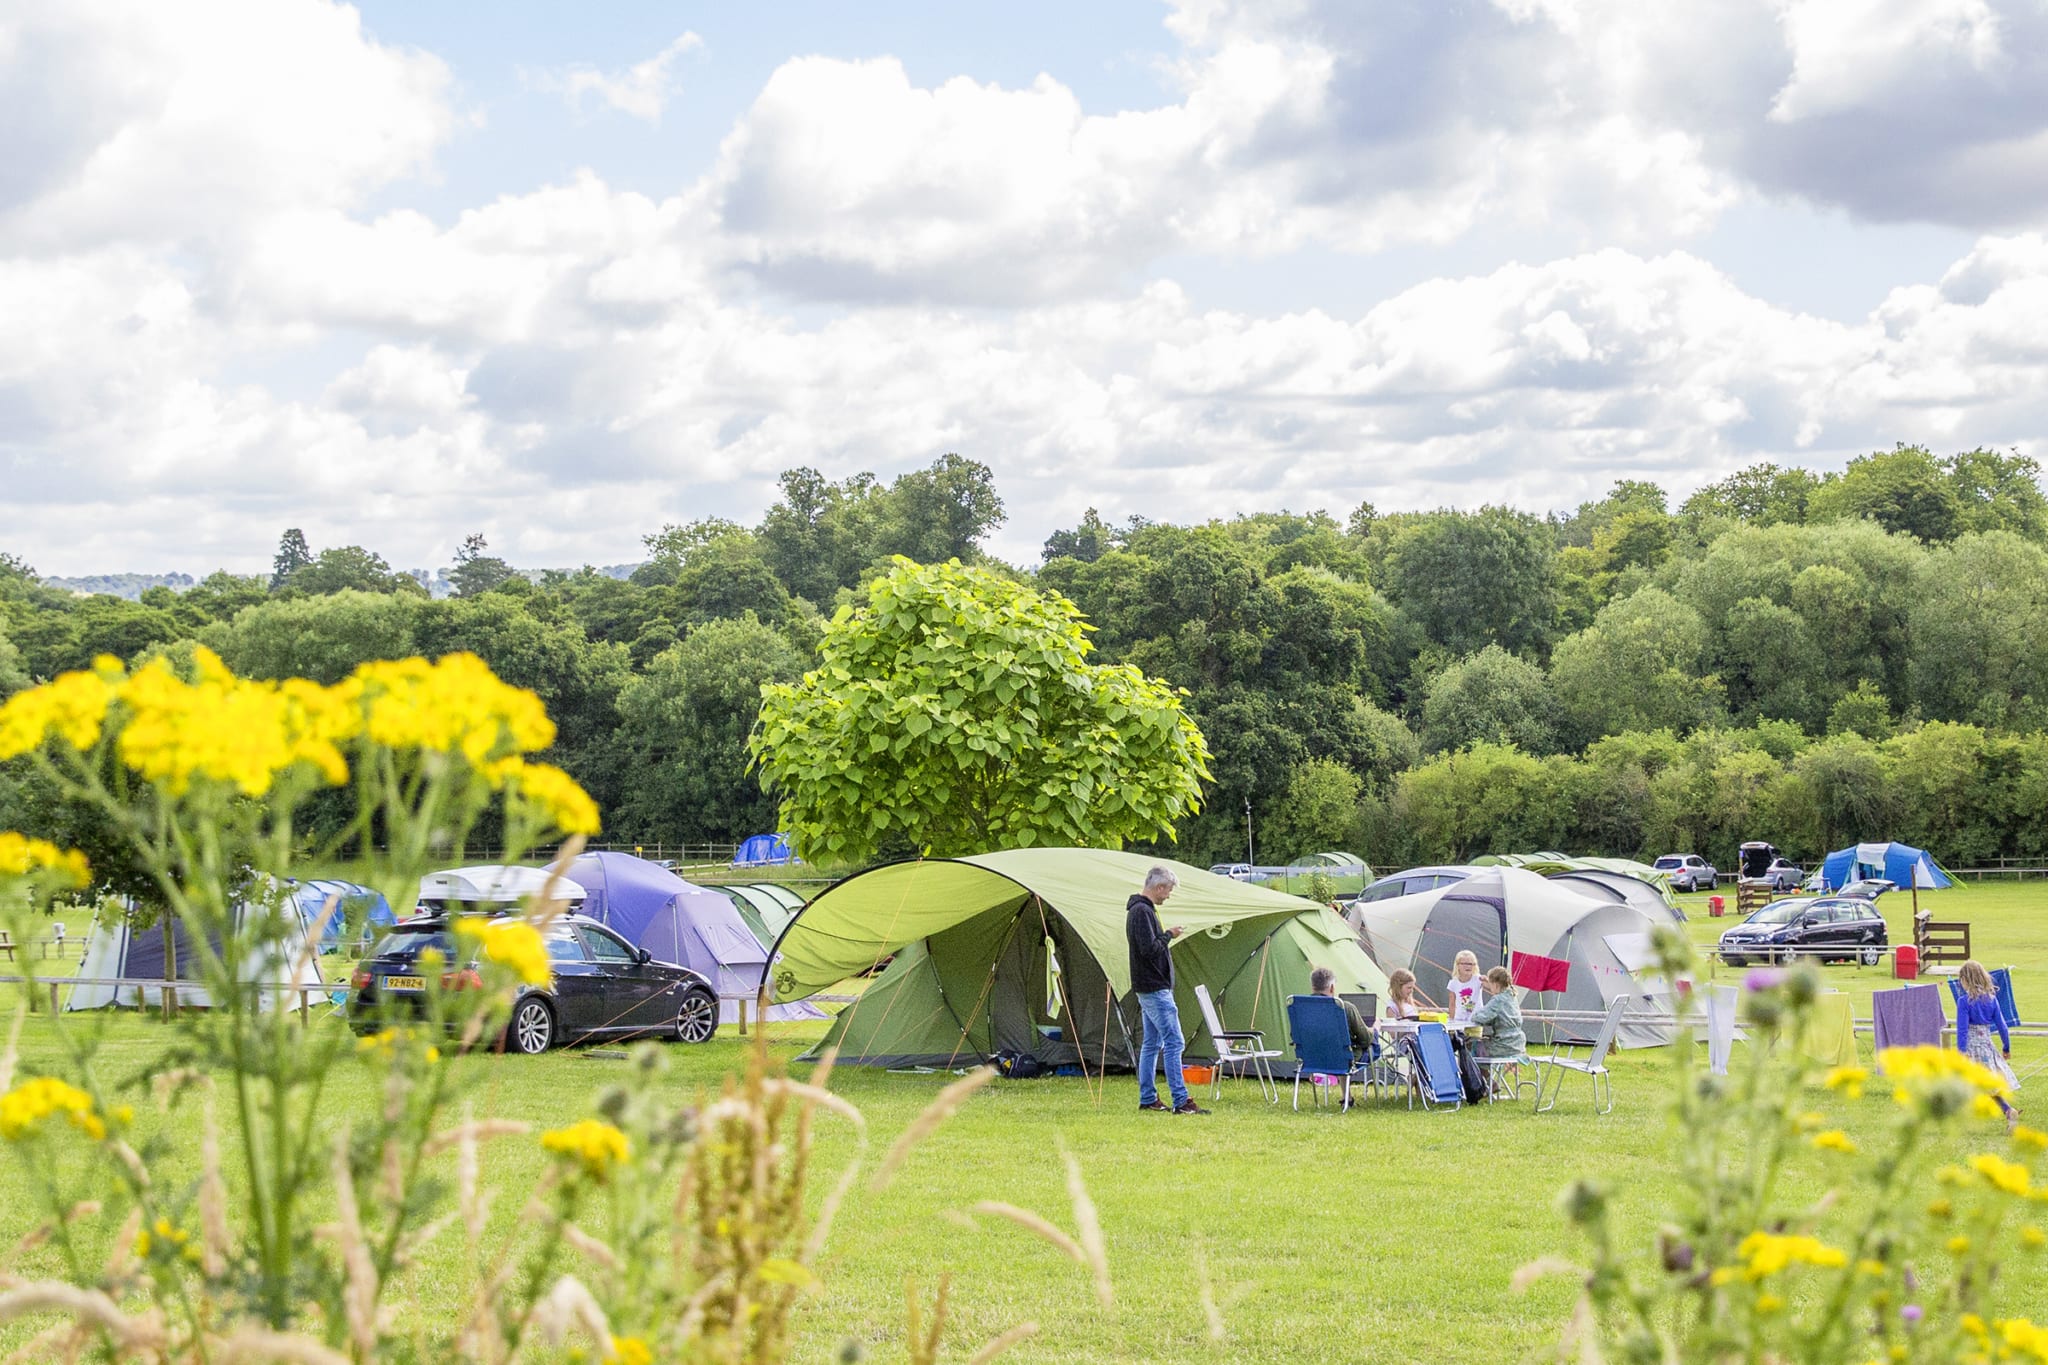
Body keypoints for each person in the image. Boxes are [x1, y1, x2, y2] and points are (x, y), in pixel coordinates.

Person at [1128, 865, 1206, 1115]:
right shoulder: (1142, 912)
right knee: (1174, 1042)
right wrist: (1168, 935)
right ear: (1159, 887)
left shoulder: (1141, 910)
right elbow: (1148, 950)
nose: (1168, 895)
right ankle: (1181, 1100)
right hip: (1154, 987)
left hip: (1148, 987)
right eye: (1168, 890)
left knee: (1152, 1043)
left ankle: (1148, 1098)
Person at [1957, 960, 2021, 1129]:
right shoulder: (1992, 1000)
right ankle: (2008, 1110)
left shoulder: (1964, 1001)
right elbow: (2002, 1026)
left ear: (1966, 980)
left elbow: (1962, 1030)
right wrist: (2006, 1047)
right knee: (1989, 1086)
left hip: (1971, 1047)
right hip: (1986, 1045)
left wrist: (1960, 1052)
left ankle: (1958, 1117)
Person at [1310, 965, 1378, 1058]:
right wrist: (1375, 1029)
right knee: (1373, 1043)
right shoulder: (1344, 1007)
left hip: (1312, 1058)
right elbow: (1365, 1039)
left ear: (1313, 987)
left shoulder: (1300, 1007)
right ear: (1332, 988)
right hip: (1343, 1060)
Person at [1470, 967, 1528, 1067]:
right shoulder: (1511, 995)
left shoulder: (1498, 1000)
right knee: (1484, 1042)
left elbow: (1479, 1017)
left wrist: (1473, 1014)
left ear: (1496, 985)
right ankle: (1489, 1081)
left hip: (1505, 1045)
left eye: (1490, 984)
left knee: (1473, 1046)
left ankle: (1483, 1080)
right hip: (1518, 1044)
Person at [1443, 950, 1484, 1024]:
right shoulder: (1453, 983)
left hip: (1476, 1020)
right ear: (1458, 965)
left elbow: (1492, 987)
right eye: (1464, 964)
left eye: (1471, 964)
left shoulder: (1478, 979)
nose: (1468, 966)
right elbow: (1452, 1004)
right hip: (1459, 1019)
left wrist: (1487, 980)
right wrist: (1451, 1021)